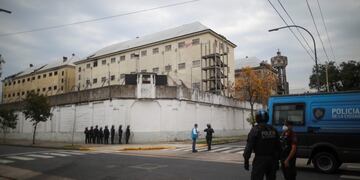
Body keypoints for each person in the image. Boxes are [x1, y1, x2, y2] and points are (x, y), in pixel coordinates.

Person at [243, 110, 281, 180]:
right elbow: (279, 147)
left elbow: (249, 147)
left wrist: (246, 160)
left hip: (260, 160)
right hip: (272, 160)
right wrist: (278, 161)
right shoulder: (273, 130)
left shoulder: (255, 130)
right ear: (267, 118)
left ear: (257, 118)